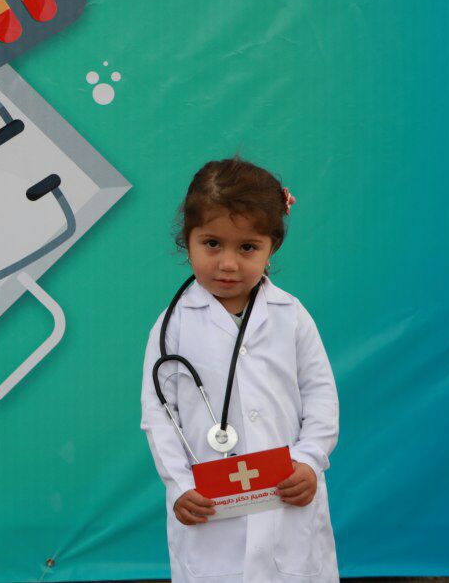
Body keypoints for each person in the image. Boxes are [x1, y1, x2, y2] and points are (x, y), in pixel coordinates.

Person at [141, 157, 339, 582]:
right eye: (212, 243)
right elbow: (159, 415)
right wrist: (179, 486)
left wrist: (309, 459)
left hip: (286, 492)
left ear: (272, 247)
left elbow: (321, 394)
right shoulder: (172, 326)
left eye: (247, 247)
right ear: (187, 240)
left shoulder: (291, 315)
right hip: (210, 504)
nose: (228, 263)